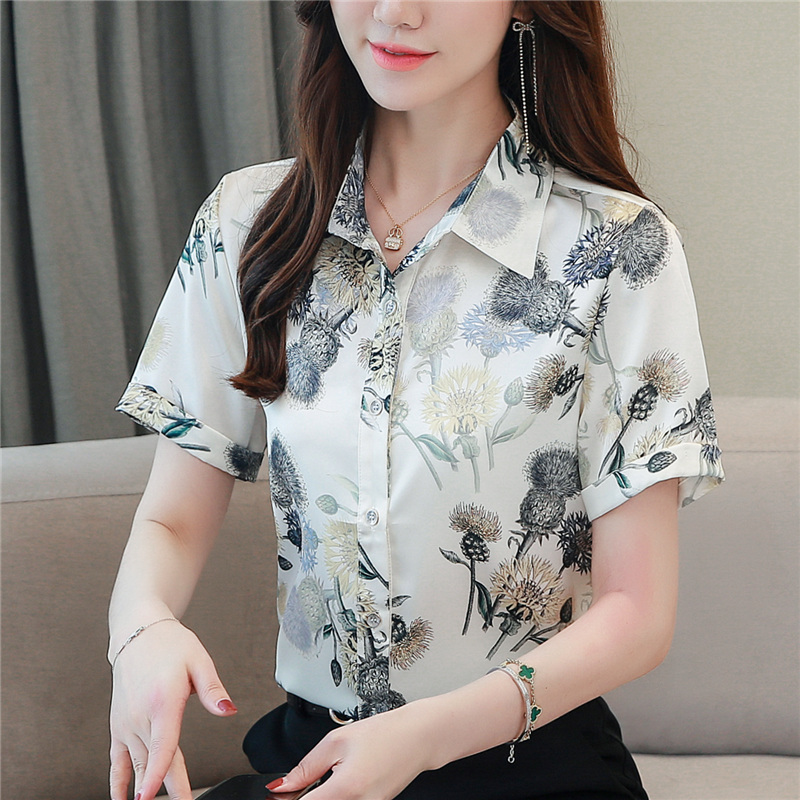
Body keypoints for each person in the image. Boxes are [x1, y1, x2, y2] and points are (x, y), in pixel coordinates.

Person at [108, 2, 724, 799]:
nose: (395, 11)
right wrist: (141, 632)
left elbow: (637, 613)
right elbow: (171, 519)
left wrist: (426, 737)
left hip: (527, 769)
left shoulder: (618, 249)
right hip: (315, 760)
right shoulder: (246, 225)